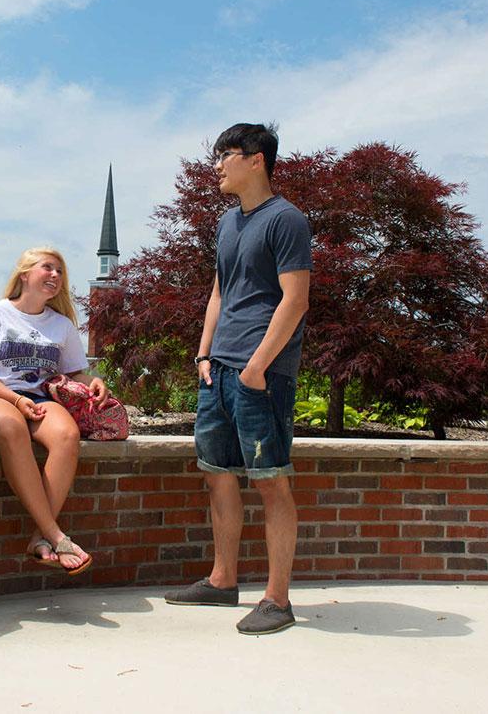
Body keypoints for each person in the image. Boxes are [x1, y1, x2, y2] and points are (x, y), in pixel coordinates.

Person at [164, 124, 312, 635]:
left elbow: (295, 300)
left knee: (270, 481)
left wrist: (256, 367)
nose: (218, 165)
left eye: (225, 155)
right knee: (217, 475)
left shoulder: (287, 220)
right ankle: (223, 581)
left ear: (256, 160)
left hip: (260, 375)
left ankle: (277, 599)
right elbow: (219, 295)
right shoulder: (227, 223)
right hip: (218, 371)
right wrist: (204, 356)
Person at [0, 247, 106, 575]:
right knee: (11, 427)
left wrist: (93, 382)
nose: (56, 275)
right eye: (48, 268)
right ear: (24, 274)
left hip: (39, 400)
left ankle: (39, 537)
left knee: (67, 435)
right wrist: (14, 400)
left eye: (60, 272)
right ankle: (56, 534)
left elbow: (74, 373)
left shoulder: (62, 325)